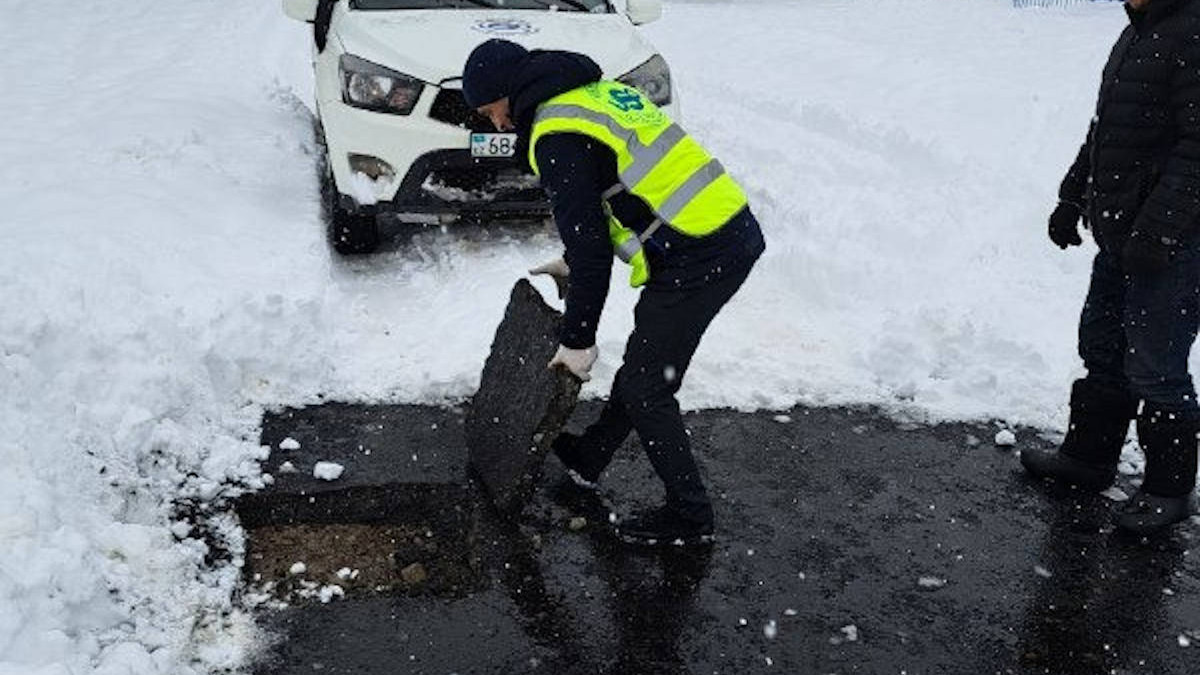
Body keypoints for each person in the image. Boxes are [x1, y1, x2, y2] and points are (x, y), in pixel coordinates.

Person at [462, 39, 765, 545]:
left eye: (488, 109)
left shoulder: (554, 133)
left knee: (649, 386)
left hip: (702, 249)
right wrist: (573, 260)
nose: (494, 122)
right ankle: (591, 455)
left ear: (503, 92)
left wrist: (578, 339)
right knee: (647, 362)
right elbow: (609, 195)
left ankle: (690, 518)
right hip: (713, 231)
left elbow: (592, 248)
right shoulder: (590, 94)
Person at [1021, 0, 1200, 534]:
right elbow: (1106, 130)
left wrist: (1162, 229)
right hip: (1123, 230)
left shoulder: (1192, 33)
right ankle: (1088, 458)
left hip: (1173, 241)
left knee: (1155, 363)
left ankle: (1169, 490)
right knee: (1103, 344)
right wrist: (1072, 197)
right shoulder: (1139, 33)